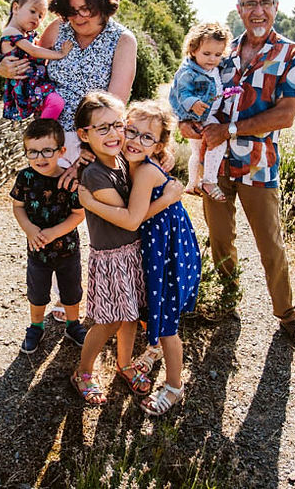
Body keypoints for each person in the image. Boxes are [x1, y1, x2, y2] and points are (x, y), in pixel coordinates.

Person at [180, 0, 295, 351]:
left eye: (265, 3)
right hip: (215, 166)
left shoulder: (292, 54)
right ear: (239, 9)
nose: (258, 10)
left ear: (276, 6)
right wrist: (184, 121)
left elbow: (285, 115)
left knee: (270, 244)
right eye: (250, 4)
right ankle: (226, 301)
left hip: (259, 165)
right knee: (220, 240)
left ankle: (288, 316)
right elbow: (191, 90)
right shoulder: (221, 51)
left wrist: (231, 130)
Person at [78, 100, 201, 416]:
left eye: (147, 137)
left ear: (158, 144)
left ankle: (173, 387)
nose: (133, 140)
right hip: (136, 251)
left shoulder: (142, 169)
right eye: (129, 130)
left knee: (165, 323)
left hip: (166, 250)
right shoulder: (117, 161)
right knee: (119, 317)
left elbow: (133, 218)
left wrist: (89, 204)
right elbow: (133, 215)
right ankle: (91, 371)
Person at [0, 0, 137, 168]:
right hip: (49, 144)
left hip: (93, 146)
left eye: (85, 9)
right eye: (71, 11)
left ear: (102, 4)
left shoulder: (122, 40)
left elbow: (114, 108)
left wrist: (84, 158)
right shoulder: (58, 28)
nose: (78, 18)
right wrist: (3, 68)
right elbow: (30, 65)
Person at [9, 119, 87, 354]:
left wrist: (54, 232)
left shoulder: (69, 181)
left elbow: (78, 214)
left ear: (61, 151)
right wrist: (30, 230)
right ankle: (35, 326)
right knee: (37, 291)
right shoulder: (25, 178)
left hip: (67, 248)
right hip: (37, 250)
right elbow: (18, 207)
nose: (40, 157)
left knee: (71, 290)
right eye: (32, 152)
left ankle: (73, 325)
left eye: (47, 151)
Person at [169, 22, 238, 202]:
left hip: (208, 115)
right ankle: (208, 180)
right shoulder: (189, 71)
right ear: (193, 50)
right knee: (218, 144)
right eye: (206, 54)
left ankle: (192, 184)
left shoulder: (213, 68)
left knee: (198, 152)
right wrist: (193, 103)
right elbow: (182, 91)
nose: (212, 59)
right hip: (199, 116)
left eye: (217, 54)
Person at [0, 0, 69, 121]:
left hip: (33, 84)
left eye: (41, 16)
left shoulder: (26, 36)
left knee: (56, 103)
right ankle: (41, 131)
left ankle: (42, 129)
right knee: (56, 103)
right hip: (27, 86)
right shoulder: (10, 32)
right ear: (16, 8)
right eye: (33, 11)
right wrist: (60, 54)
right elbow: (34, 51)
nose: (37, 18)